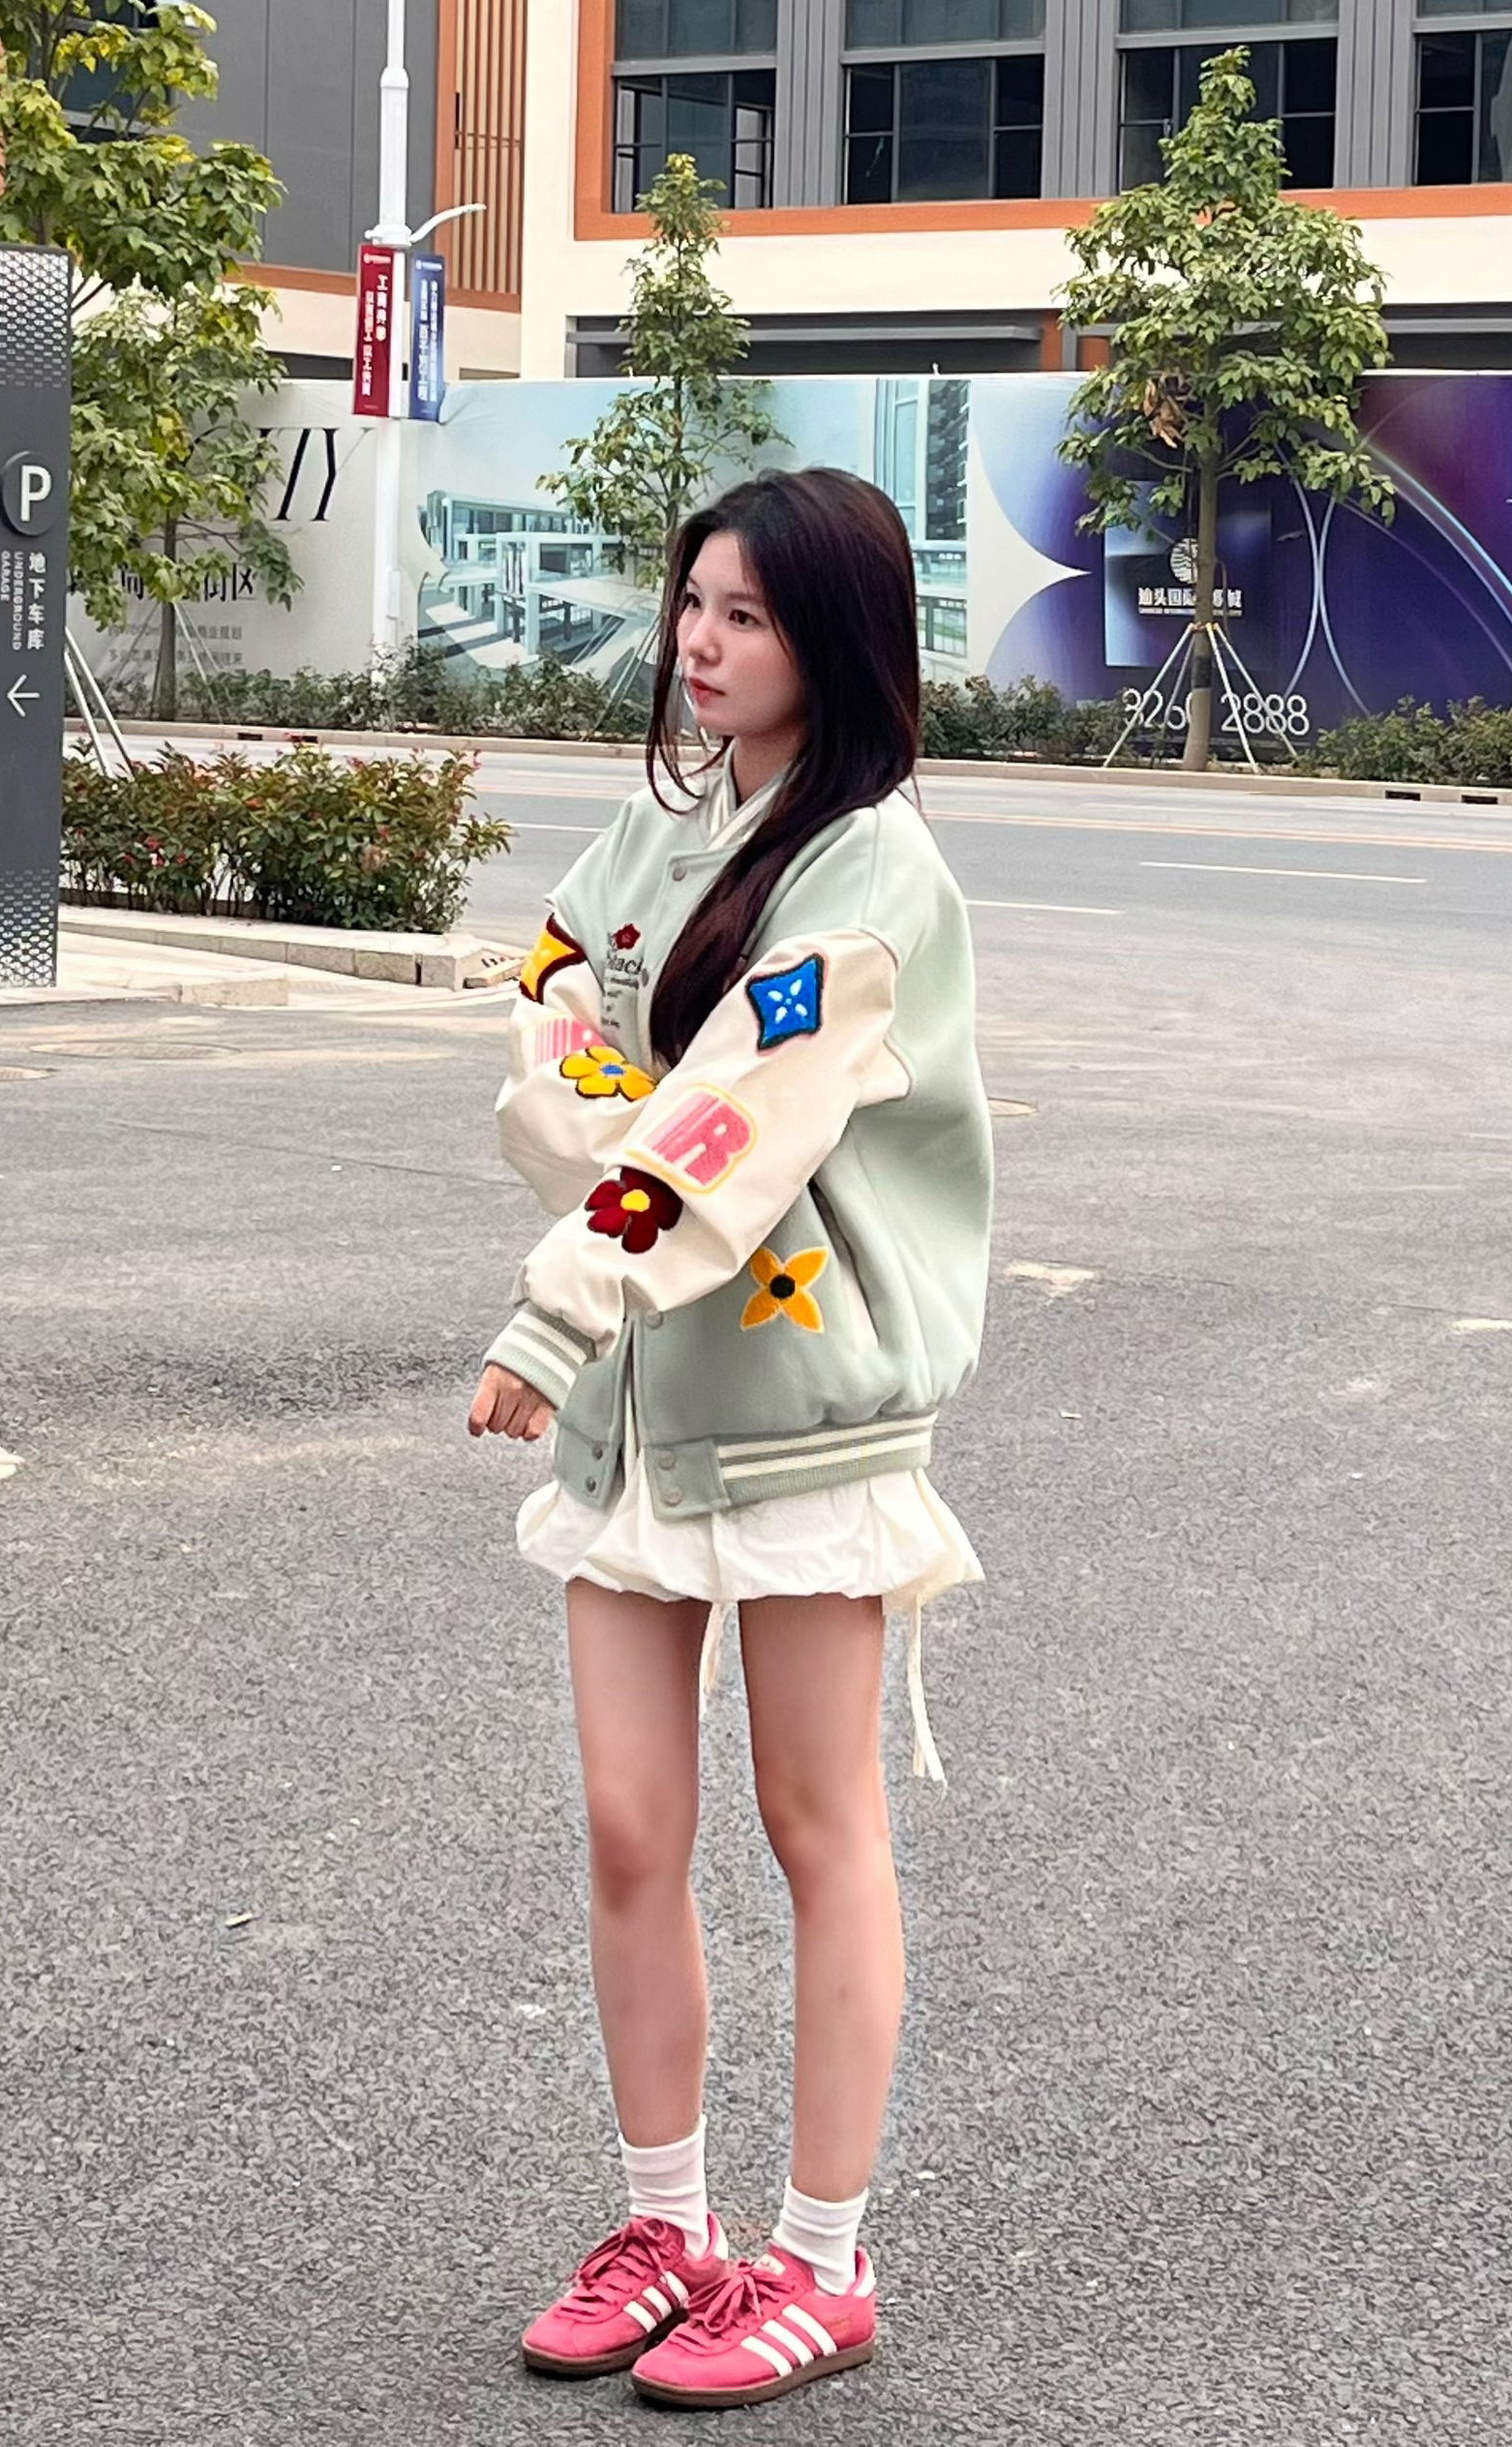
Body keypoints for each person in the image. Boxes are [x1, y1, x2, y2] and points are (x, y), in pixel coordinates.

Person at [467, 466, 992, 2409]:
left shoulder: (873, 873)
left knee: (814, 1822)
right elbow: (550, 1010)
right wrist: (608, 1144)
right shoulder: (657, 828)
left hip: (796, 1421)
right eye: (692, 601)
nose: (699, 643)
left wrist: (559, 1300)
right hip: (643, 1409)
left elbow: (736, 1122)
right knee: (629, 1824)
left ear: (834, 640)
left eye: (746, 615)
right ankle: (665, 2226)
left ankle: (819, 2261)